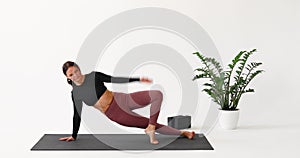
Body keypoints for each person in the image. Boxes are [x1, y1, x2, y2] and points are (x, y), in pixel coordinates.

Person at [59, 61, 195, 144]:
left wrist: (137, 79)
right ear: (68, 77)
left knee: (157, 94)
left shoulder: (94, 76)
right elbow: (77, 114)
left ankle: (151, 127)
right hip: (115, 114)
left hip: (121, 99)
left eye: (76, 71)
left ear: (79, 68)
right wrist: (74, 135)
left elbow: (114, 79)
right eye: (71, 74)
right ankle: (182, 133)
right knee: (149, 123)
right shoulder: (76, 93)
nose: (76, 75)